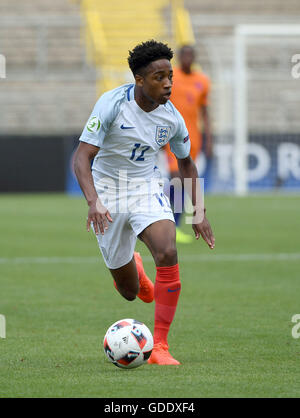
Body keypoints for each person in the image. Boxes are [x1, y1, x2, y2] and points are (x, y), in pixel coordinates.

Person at [74, 40, 215, 366]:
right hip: (107, 192)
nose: (167, 84)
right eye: (158, 77)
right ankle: (134, 266)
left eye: (170, 76)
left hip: (145, 187)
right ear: (139, 79)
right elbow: (82, 157)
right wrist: (94, 202)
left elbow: (187, 164)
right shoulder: (112, 104)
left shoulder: (172, 119)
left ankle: (161, 348)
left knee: (167, 250)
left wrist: (199, 211)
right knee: (128, 291)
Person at [164, 45, 213, 244]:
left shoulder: (202, 81)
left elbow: (205, 113)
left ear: (194, 58)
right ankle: (172, 225)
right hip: (171, 136)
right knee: (177, 179)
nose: (187, 59)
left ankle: (172, 224)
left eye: (190, 55)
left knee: (185, 181)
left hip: (193, 138)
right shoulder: (170, 77)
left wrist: (209, 140)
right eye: (183, 55)